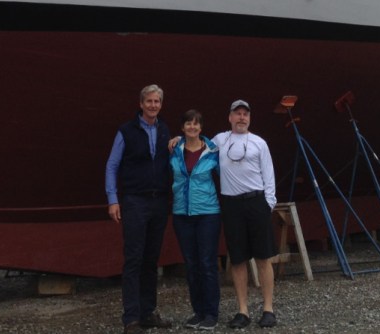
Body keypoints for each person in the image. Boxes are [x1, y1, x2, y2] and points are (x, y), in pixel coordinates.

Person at [106, 84, 174, 333]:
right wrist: (113, 199)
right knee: (134, 259)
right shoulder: (126, 131)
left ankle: (148, 312)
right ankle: (131, 318)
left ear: (161, 105)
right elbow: (112, 165)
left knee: (151, 259)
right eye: (149, 101)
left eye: (157, 101)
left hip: (159, 201)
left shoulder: (165, 130)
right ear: (141, 104)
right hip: (135, 201)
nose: (153, 105)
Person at [211, 100, 277, 329]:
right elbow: (197, 146)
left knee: (263, 257)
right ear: (230, 117)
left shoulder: (259, 143)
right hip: (231, 205)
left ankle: (268, 309)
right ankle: (242, 310)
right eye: (237, 113)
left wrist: (268, 204)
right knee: (238, 259)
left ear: (249, 118)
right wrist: (178, 140)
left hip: (256, 202)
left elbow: (269, 174)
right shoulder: (220, 140)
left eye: (245, 114)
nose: (241, 117)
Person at [170, 109, 221, 330]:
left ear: (201, 127)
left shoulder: (213, 152)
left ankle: (211, 313)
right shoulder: (174, 150)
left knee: (207, 263)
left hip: (208, 213)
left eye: (196, 123)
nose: (192, 127)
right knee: (191, 265)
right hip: (182, 214)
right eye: (188, 123)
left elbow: (227, 177)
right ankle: (198, 312)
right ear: (182, 128)